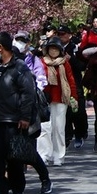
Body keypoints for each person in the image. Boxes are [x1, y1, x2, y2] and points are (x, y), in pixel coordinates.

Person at [0, 31, 48, 194]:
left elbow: (28, 93)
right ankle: (0, 191)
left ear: (1, 47)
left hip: (14, 120)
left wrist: (24, 117)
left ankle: (18, 189)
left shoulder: (20, 68)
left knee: (15, 157)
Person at [38, 36, 77, 167]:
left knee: (59, 128)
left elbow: (71, 81)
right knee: (45, 128)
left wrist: (74, 97)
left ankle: (58, 155)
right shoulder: (41, 62)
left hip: (61, 98)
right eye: (51, 48)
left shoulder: (64, 63)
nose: (53, 51)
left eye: (56, 49)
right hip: (45, 99)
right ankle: (43, 155)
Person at [59, 24, 89, 150]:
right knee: (64, 111)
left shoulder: (76, 47)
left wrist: (71, 60)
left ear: (69, 35)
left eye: (63, 34)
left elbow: (82, 66)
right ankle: (67, 136)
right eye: (59, 34)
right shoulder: (54, 47)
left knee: (78, 110)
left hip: (75, 82)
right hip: (61, 83)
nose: (61, 37)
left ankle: (80, 133)